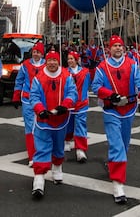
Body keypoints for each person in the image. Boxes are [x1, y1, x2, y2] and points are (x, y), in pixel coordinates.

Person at [91, 35, 140, 204]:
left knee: (124, 145)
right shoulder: (103, 66)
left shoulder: (132, 65)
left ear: (123, 48)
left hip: (129, 109)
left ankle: (114, 166)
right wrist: (111, 95)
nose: (117, 48)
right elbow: (96, 86)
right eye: (114, 45)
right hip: (111, 111)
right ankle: (118, 184)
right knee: (116, 145)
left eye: (120, 45)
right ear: (109, 49)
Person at [29, 51, 77, 199]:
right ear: (46, 61)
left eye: (54, 61)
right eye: (49, 60)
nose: (51, 63)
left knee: (58, 146)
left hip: (61, 120)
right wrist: (39, 109)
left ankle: (57, 168)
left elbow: (72, 93)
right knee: (42, 148)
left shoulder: (66, 76)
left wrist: (66, 105)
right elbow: (34, 96)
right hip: (44, 120)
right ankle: (39, 179)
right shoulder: (39, 78)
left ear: (58, 62)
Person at [12, 41, 46, 164]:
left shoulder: (47, 65)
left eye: (38, 52)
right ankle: (32, 156)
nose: (35, 54)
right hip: (27, 99)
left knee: (42, 126)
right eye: (34, 52)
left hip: (42, 101)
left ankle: (41, 151)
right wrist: (16, 96)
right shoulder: (25, 65)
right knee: (30, 127)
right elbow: (19, 81)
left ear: (42, 54)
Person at [64, 50, 90, 162]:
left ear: (77, 60)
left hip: (81, 103)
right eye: (68, 59)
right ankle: (67, 140)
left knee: (80, 126)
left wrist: (82, 99)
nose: (70, 61)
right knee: (68, 123)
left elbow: (86, 86)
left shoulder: (85, 72)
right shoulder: (64, 72)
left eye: (72, 59)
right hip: (69, 103)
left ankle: (80, 149)